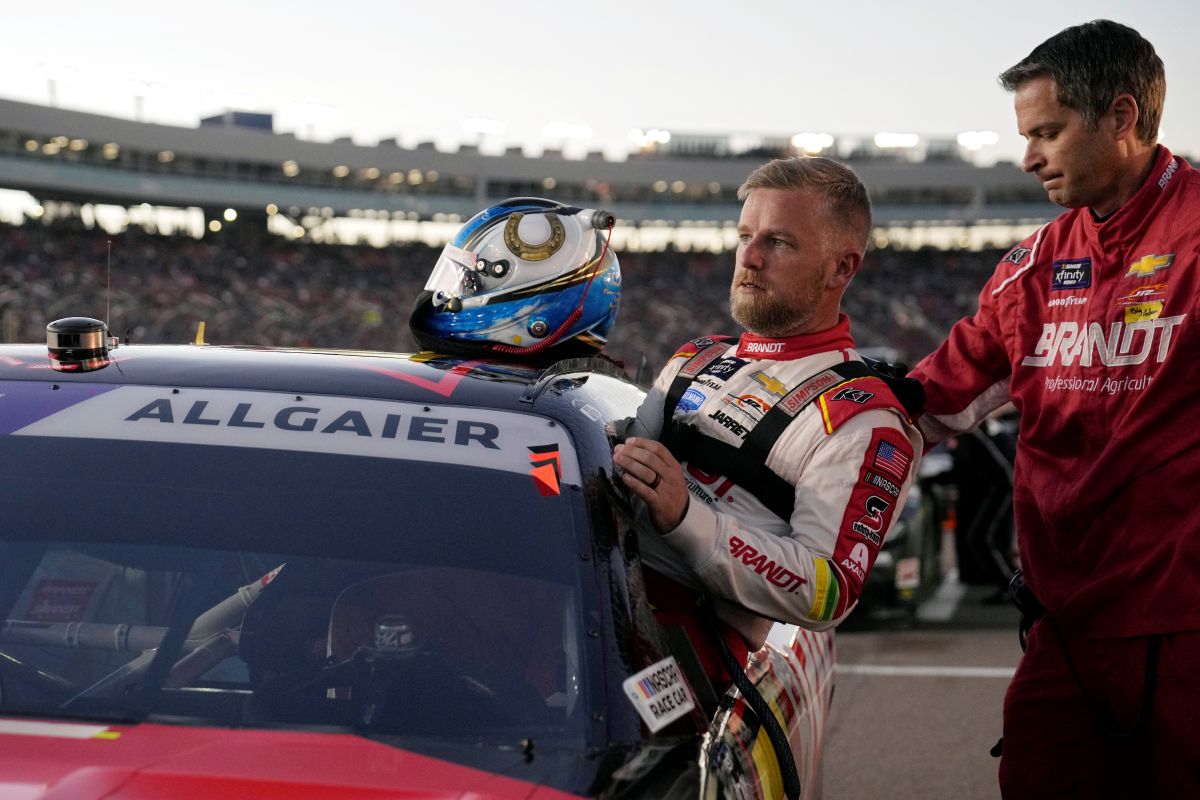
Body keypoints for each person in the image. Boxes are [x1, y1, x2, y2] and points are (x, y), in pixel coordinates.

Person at [908, 20, 1200, 798]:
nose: (1029, 156)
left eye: (1047, 132)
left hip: (1185, 624)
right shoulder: (1031, 268)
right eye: (1025, 134)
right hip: (1063, 627)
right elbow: (934, 399)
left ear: (1122, 116)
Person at [613, 156, 923, 691]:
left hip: (692, 659)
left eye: (778, 243)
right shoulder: (696, 358)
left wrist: (686, 518)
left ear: (841, 269)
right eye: (745, 236)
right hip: (600, 605)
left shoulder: (865, 417)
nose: (750, 258)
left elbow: (828, 590)